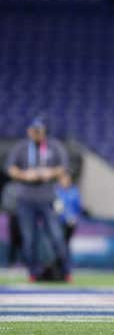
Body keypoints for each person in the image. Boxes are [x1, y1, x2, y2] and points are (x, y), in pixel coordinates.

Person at [4, 116, 71, 282]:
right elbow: (10, 169)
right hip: (26, 199)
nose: (36, 134)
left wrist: (50, 172)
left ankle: (66, 271)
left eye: (39, 131)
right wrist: (25, 175)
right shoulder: (21, 148)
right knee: (29, 239)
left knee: (56, 236)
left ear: (44, 131)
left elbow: (64, 168)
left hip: (48, 198)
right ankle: (33, 273)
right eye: (34, 130)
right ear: (29, 131)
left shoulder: (54, 147)